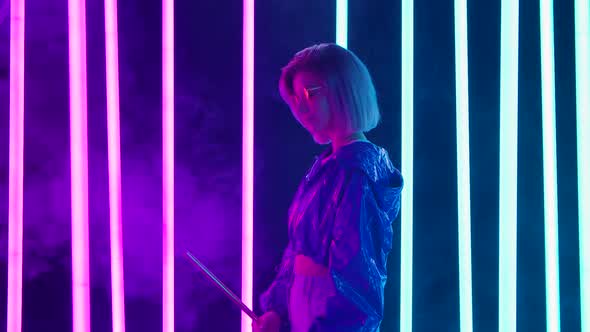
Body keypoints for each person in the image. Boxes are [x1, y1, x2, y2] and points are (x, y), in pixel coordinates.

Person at [253, 43, 403, 332]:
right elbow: (298, 252)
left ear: (344, 90)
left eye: (310, 93)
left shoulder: (357, 171)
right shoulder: (330, 166)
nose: (299, 107)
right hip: (309, 311)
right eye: (295, 97)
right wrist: (278, 310)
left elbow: (358, 275)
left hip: (327, 315)